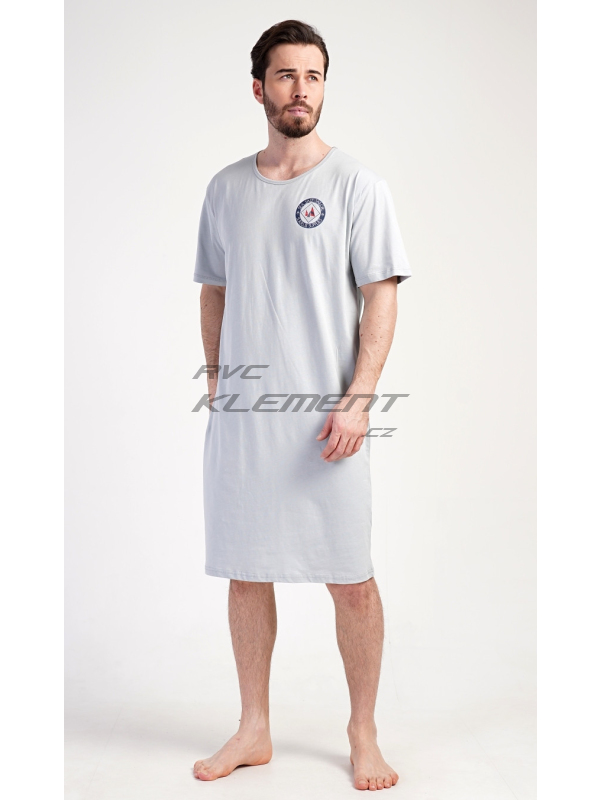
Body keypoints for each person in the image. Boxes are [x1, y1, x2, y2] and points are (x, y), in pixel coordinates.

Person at [192, 19, 411, 792]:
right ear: (259, 88)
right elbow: (214, 290)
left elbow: (381, 297)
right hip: (245, 427)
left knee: (351, 580)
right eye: (286, 75)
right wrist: (218, 382)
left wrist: (358, 402)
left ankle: (362, 730)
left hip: (328, 428)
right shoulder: (226, 189)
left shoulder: (357, 186)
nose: (301, 90)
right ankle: (254, 727)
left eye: (313, 76)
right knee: (246, 573)